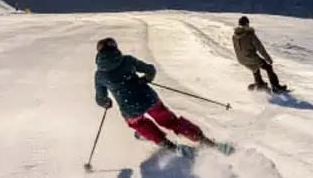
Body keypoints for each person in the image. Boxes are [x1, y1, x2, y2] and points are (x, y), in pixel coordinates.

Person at [94, 37, 228, 154]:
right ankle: (203, 139)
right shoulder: (127, 60)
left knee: (139, 124)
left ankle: (166, 144)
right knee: (170, 120)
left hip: (130, 108)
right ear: (115, 48)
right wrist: (147, 79)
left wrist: (106, 103)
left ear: (99, 54)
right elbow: (150, 69)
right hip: (149, 99)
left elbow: (100, 98)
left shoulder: (100, 75)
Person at [232, 16, 288, 92]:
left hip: (241, 59)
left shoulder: (234, 36)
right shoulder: (250, 35)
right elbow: (260, 48)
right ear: (246, 24)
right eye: (248, 24)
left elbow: (236, 49)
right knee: (268, 67)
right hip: (251, 57)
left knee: (255, 68)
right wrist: (268, 58)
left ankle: (260, 84)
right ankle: (275, 86)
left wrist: (242, 58)